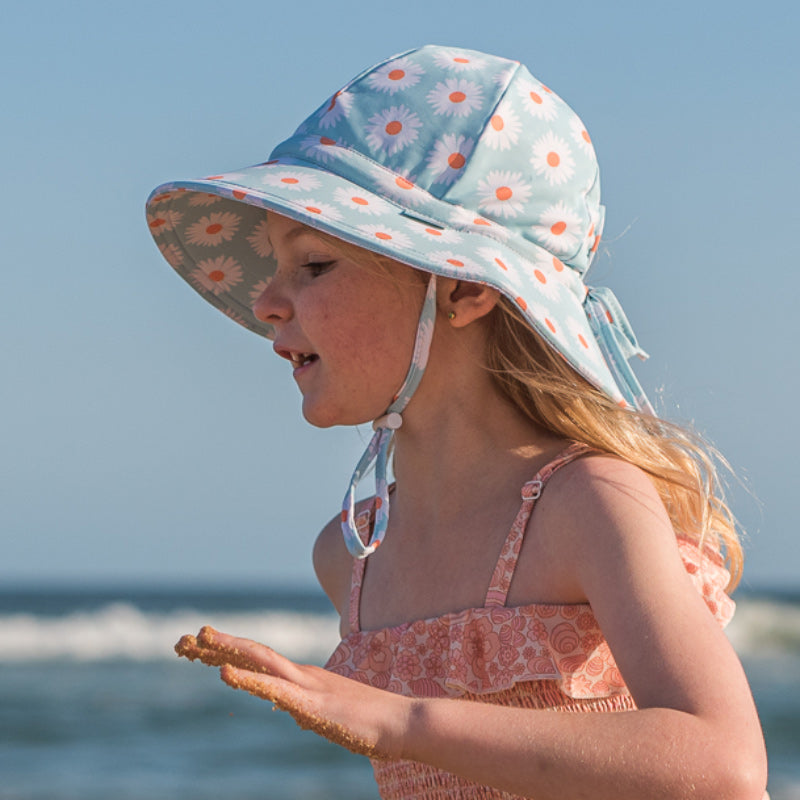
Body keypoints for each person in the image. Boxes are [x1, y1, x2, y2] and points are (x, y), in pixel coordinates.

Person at [147, 45, 768, 799]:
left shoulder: (588, 504)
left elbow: (721, 762)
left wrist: (400, 721)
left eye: (312, 266)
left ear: (465, 290)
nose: (267, 302)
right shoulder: (352, 559)